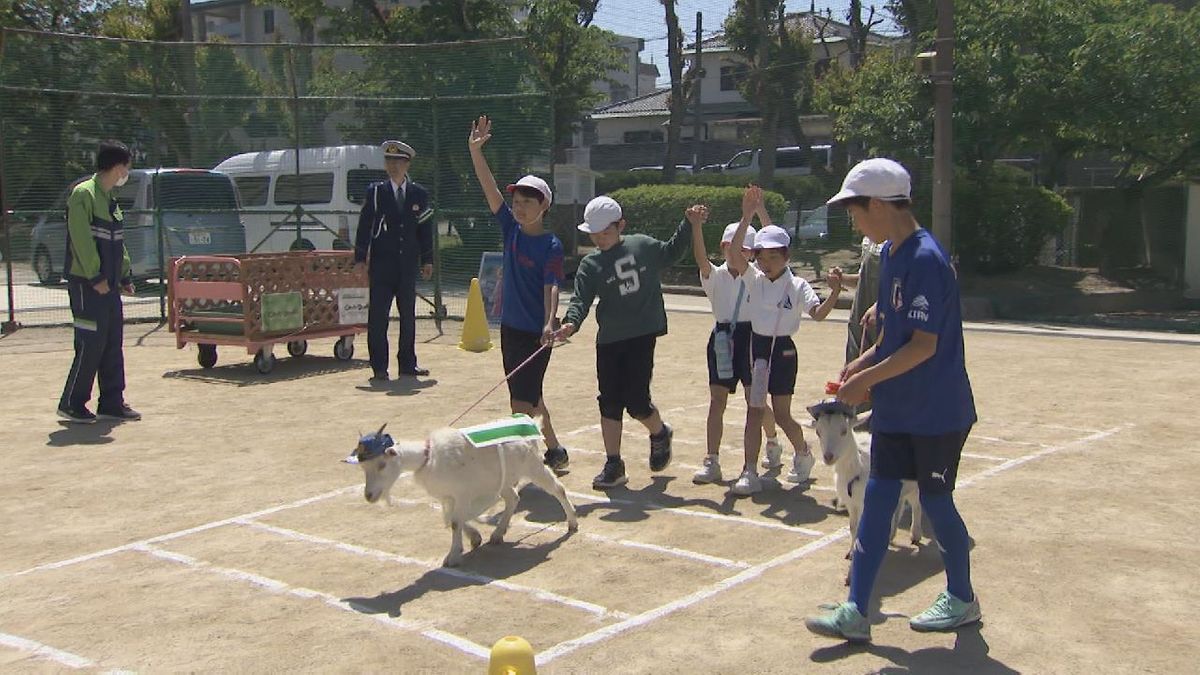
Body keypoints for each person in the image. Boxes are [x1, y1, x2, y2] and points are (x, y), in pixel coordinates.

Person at [806, 158, 979, 643]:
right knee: (878, 501)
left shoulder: (925, 257)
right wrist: (860, 367)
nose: (853, 221)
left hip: (938, 411)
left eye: (856, 211)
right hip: (898, 410)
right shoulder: (893, 253)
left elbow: (924, 345)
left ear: (879, 205)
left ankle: (963, 599)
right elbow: (892, 338)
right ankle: (857, 609)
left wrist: (866, 383)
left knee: (937, 504)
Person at [553, 195, 692, 489]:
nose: (600, 238)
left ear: (621, 226)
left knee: (637, 401)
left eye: (606, 231)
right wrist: (570, 323)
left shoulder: (642, 246)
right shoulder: (590, 264)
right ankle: (614, 463)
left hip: (642, 334)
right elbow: (581, 299)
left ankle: (659, 433)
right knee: (609, 400)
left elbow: (671, 252)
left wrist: (688, 224)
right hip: (609, 340)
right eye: (594, 232)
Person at [467, 115, 570, 470]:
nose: (520, 205)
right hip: (510, 329)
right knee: (529, 395)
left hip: (537, 335)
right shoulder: (510, 228)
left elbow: (552, 285)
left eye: (530, 200)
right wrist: (475, 151)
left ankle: (517, 466)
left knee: (520, 404)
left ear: (544, 207)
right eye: (518, 199)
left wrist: (548, 323)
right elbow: (489, 188)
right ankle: (554, 450)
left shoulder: (551, 244)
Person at [725, 186, 842, 496]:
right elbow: (736, 252)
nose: (767, 263)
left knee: (782, 413)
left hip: (785, 352)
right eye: (762, 257)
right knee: (754, 409)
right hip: (758, 348)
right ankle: (749, 471)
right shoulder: (754, 278)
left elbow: (817, 314)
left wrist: (835, 292)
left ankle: (803, 453)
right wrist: (747, 213)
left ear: (786, 256)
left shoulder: (799, 284)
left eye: (774, 257)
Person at [688, 215, 785, 484]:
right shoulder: (714, 275)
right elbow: (700, 260)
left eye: (743, 248)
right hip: (722, 338)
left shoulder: (755, 276)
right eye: (731, 247)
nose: (736, 252)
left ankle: (773, 440)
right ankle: (712, 459)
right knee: (717, 400)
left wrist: (754, 213)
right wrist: (696, 227)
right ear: (722, 247)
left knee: (754, 401)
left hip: (751, 338)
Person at [57, 140, 141, 424]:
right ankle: (72, 403)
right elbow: (81, 240)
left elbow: (119, 243)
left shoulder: (109, 200)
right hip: (87, 285)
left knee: (112, 342)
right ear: (117, 166)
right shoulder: (84, 195)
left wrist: (125, 276)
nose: (126, 172)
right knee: (90, 343)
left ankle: (111, 403)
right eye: (126, 166)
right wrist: (95, 276)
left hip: (110, 287)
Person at [354, 139, 434, 381]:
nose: (393, 166)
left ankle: (408, 364)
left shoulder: (419, 194)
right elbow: (365, 225)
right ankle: (379, 367)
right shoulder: (376, 192)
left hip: (407, 265)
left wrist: (427, 259)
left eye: (398, 161)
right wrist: (360, 257)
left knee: (408, 317)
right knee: (378, 317)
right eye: (389, 161)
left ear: (407, 164)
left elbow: (425, 229)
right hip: (381, 265)